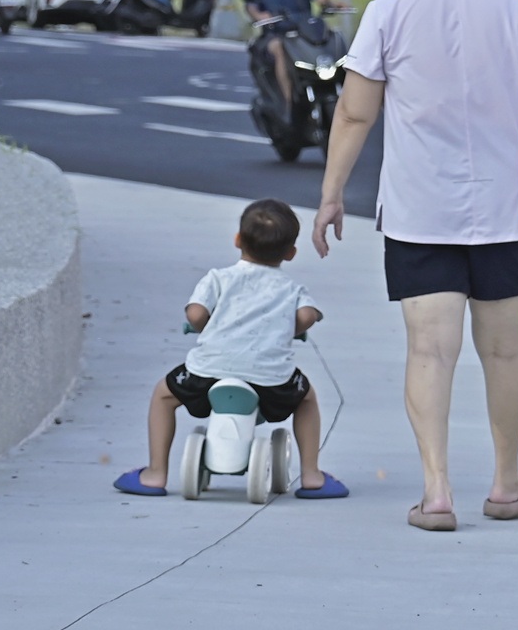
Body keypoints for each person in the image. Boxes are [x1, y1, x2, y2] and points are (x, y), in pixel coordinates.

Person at [312, 0, 518, 532]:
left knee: (429, 352)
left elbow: (355, 112)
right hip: (506, 208)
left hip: (419, 210)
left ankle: (436, 492)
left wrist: (331, 195)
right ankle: (507, 484)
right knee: (506, 350)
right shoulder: (516, 9)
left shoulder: (388, 10)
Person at [114, 198, 349, 500]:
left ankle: (155, 473)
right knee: (307, 399)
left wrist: (206, 326)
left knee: (163, 395)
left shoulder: (218, 278)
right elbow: (306, 316)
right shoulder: (291, 289)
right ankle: (312, 475)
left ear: (237, 240)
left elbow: (196, 314)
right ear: (291, 253)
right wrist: (291, 329)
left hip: (207, 374)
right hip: (271, 381)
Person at [244, 0, 333, 102]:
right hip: (275, 34)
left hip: (304, 33)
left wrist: (331, 4)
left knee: (332, 40)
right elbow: (251, 6)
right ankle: (288, 101)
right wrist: (260, 16)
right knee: (279, 49)